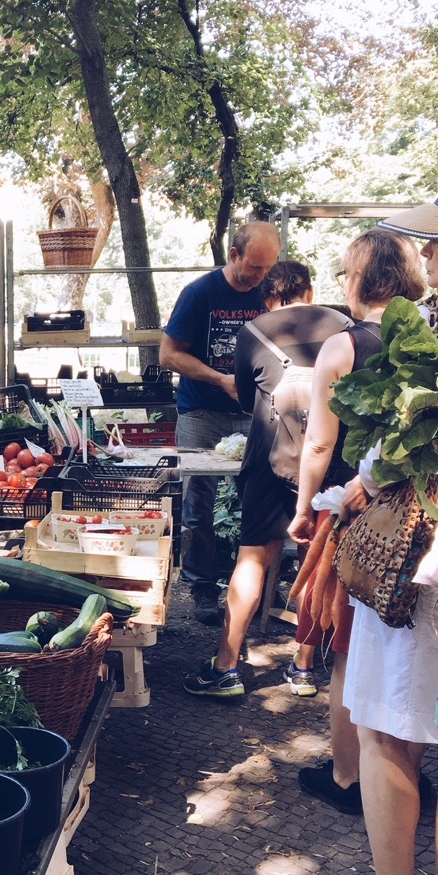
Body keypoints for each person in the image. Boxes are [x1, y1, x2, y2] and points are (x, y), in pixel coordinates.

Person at [307, 162, 438, 875]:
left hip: (426, 547)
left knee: (387, 728)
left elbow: (404, 441)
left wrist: (346, 491)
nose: (425, 244)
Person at [287, 230, 426, 804]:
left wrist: (302, 508)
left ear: (358, 279)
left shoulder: (342, 347)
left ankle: (349, 777)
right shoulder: (430, 337)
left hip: (360, 515)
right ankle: (406, 774)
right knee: (409, 645)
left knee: (349, 646)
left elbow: (319, 444)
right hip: (422, 515)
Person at [185, 260, 350, 697]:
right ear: (309, 291)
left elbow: (244, 398)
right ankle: (303, 666)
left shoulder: (254, 331)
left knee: (253, 560)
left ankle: (225, 667)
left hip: (269, 459)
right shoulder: (344, 326)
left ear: (268, 296)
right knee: (316, 560)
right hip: (332, 461)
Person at [159, 221, 281, 624]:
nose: (263, 277)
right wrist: (220, 380)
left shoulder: (270, 293)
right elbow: (168, 355)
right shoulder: (200, 294)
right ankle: (202, 588)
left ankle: (258, 586)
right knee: (198, 503)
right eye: (256, 268)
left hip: (256, 413)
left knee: (263, 499)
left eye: (269, 269)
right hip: (202, 412)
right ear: (233, 255)